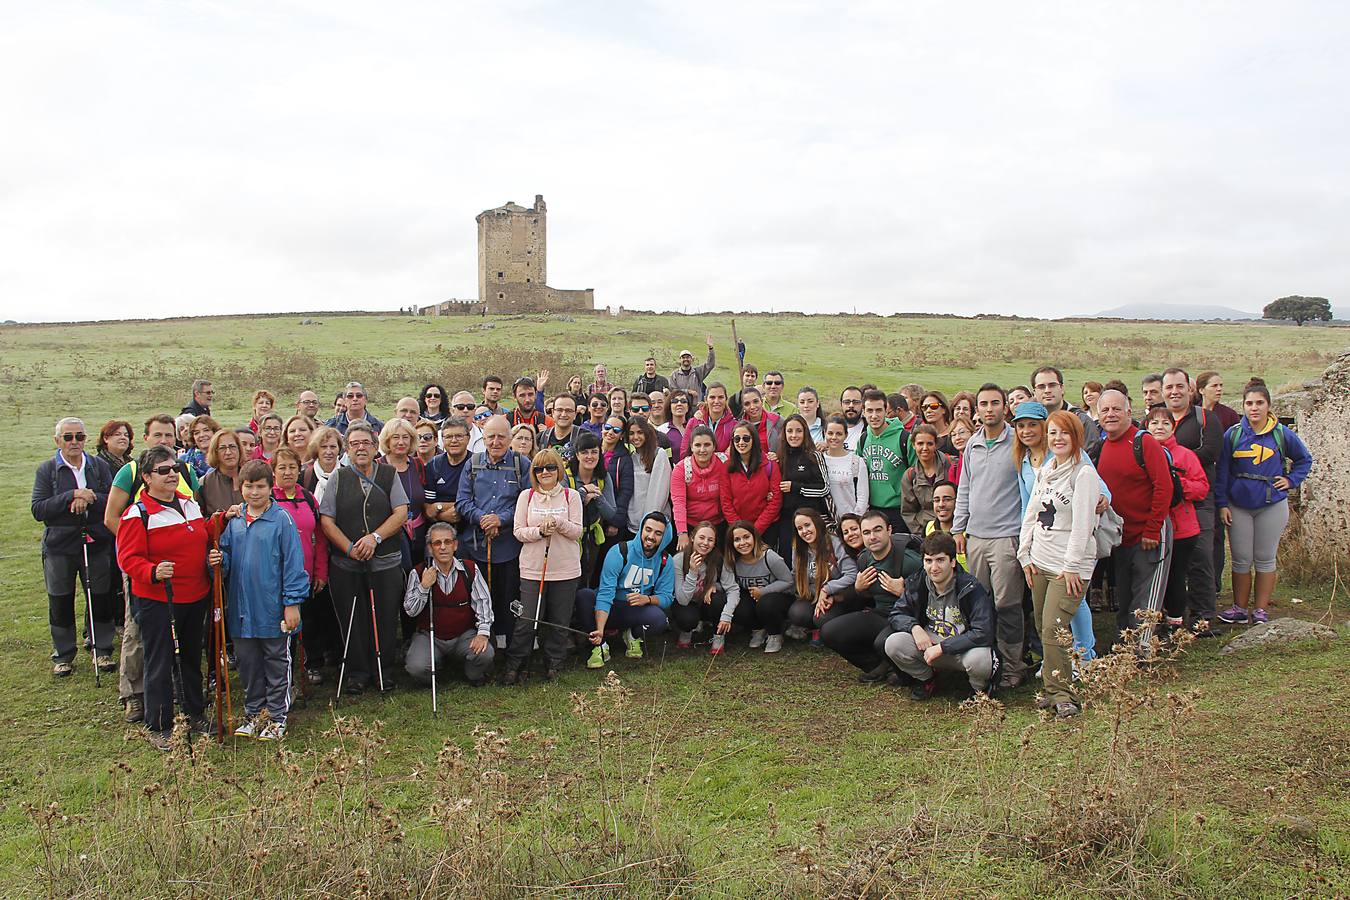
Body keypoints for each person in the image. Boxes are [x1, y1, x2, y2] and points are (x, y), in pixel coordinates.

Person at [116, 445, 215, 749]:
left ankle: (194, 712)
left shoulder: (189, 504)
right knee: (159, 660)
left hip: (195, 595)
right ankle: (158, 724)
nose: (171, 474)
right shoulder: (138, 514)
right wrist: (152, 571)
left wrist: (222, 521)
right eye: (163, 470)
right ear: (146, 477)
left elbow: (202, 533)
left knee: (189, 657)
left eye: (174, 469)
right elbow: (127, 558)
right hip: (160, 600)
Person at [1017, 412, 1102, 717]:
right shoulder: (1046, 470)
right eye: (1052, 433)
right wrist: (1024, 555)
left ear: (1076, 436)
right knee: (1043, 626)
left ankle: (1062, 694)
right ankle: (1056, 686)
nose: (1057, 439)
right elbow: (1032, 514)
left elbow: (1083, 526)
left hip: (1068, 567)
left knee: (1055, 629)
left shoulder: (1084, 475)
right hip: (1040, 560)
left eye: (1064, 433)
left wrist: (1072, 566)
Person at [218, 460, 309, 741]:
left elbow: (294, 563)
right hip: (242, 610)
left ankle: (277, 716)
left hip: (273, 608)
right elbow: (227, 559)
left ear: (271, 488)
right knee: (248, 663)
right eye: (249, 486)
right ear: (241, 488)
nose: (254, 493)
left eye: (260, 487)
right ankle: (254, 713)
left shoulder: (281, 520)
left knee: (276, 662)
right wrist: (220, 561)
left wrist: (291, 602)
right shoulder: (233, 523)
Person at [318, 421, 408, 695]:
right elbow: (327, 519)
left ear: (374, 445)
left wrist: (375, 538)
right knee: (352, 618)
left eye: (365, 443)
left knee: (385, 617)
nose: (360, 448)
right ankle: (358, 673)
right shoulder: (338, 477)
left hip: (385, 561)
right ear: (347, 448)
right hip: (346, 564)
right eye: (354, 443)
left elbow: (401, 512)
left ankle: (383, 671)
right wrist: (348, 547)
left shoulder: (389, 474)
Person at [1215, 380, 1312, 626]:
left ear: (1268, 405)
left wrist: (1291, 481)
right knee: (1241, 558)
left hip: (1272, 503)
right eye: (1249, 403)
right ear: (1244, 406)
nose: (1254, 408)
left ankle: (1260, 610)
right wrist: (1222, 503)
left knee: (1265, 557)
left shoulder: (1281, 433)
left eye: (1259, 403)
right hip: (1238, 503)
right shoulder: (1233, 434)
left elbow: (1304, 459)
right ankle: (1238, 608)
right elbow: (1223, 470)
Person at [953, 384, 1026, 689]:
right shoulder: (972, 444)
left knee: (1008, 605)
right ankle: (986, 664)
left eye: (995, 403)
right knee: (979, 605)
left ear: (1005, 407)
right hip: (976, 538)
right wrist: (959, 527)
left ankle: (1012, 667)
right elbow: (965, 487)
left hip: (1007, 536)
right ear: (977, 410)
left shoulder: (1018, 441)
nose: (989, 409)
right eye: (983, 404)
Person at [32, 417, 117, 677]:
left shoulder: (99, 466)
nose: (74, 442)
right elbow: (39, 509)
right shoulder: (47, 470)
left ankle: (102, 650)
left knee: (101, 597)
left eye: (79, 437)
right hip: (60, 547)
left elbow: (112, 501)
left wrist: (89, 497)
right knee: (60, 599)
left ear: (86, 439)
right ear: (57, 440)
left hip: (96, 543)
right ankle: (64, 654)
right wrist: (71, 496)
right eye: (68, 437)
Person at [1095, 389, 1174, 648]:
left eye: (1116, 409)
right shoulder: (1102, 447)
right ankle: (1125, 647)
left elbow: (1164, 487)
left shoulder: (1144, 442)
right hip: (1122, 537)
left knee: (1146, 596)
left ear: (1129, 412)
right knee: (1126, 595)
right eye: (1105, 410)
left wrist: (1152, 529)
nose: (1111, 414)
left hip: (1150, 534)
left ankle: (1142, 651)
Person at [885, 532, 998, 701]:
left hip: (962, 648)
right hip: (930, 642)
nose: (934, 567)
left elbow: (983, 632)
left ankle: (979, 691)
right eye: (928, 561)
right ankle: (927, 679)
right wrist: (914, 628)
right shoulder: (917, 582)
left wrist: (943, 647)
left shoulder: (971, 587)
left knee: (980, 659)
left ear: (952, 562)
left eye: (940, 560)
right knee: (894, 643)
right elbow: (897, 613)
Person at [503, 449, 584, 683]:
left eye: (550, 468)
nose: (545, 472)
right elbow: (518, 531)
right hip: (533, 568)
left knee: (559, 621)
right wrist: (539, 531)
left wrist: (559, 523)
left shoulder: (571, 496)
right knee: (527, 620)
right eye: (539, 469)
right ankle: (515, 662)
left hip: (565, 568)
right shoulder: (526, 496)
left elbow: (577, 531)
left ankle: (554, 663)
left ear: (558, 470)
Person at [456, 415, 529, 649]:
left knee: (507, 596)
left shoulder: (521, 464)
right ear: (483, 438)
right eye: (491, 437)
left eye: (501, 437)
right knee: (480, 597)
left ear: (510, 439)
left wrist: (501, 519)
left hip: (509, 546)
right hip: (477, 546)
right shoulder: (473, 463)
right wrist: (482, 519)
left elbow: (525, 501)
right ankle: (482, 640)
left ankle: (507, 643)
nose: (495, 442)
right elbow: (462, 501)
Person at [1161, 367, 1225, 632]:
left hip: (1198, 499)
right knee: (1169, 559)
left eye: (1179, 386)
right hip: (1166, 502)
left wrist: (1170, 460)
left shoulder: (1206, 419)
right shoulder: (1156, 419)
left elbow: (1209, 452)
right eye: (1169, 388)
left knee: (1200, 557)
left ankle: (1203, 616)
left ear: (1190, 390)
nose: (1174, 392)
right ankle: (1172, 612)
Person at [821, 510, 920, 680]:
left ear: (889, 530)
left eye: (877, 530)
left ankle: (910, 675)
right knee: (829, 631)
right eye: (866, 532)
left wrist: (904, 592)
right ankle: (879, 666)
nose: (872, 536)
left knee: (882, 642)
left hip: (908, 617)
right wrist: (859, 589)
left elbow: (933, 600)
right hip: (881, 614)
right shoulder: (864, 559)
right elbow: (868, 597)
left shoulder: (910, 560)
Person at [1143, 406, 1209, 632]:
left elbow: (1202, 487)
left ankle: (1175, 622)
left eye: (1165, 423)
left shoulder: (1185, 455)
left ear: (1173, 427)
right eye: (1154, 423)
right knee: (1151, 576)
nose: (1159, 427)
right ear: (1146, 426)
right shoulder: (1139, 454)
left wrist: (1178, 486)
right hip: (1151, 527)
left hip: (1181, 526)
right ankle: (1152, 618)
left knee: (1176, 576)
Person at [403, 523, 494, 688]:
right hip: (431, 636)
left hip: (463, 635)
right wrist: (423, 587)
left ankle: (471, 672)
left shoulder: (469, 569)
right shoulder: (418, 572)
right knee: (416, 667)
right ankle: (434, 667)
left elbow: (483, 603)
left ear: (455, 545)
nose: (443, 547)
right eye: (437, 543)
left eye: (448, 542)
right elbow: (410, 611)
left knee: (485, 653)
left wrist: (482, 634)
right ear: (430, 548)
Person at [580, 512, 676, 666]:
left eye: (658, 533)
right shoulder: (619, 551)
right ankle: (600, 644)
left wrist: (648, 599)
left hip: (635, 609)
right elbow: (606, 592)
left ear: (664, 537)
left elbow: (667, 597)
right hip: (610, 606)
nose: (651, 536)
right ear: (641, 530)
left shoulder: (666, 561)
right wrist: (600, 628)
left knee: (659, 620)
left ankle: (632, 635)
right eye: (648, 530)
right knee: (584, 596)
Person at [270, 447, 331, 686]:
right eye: (282, 467)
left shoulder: (307, 497)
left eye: (292, 467)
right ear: (273, 471)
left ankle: (313, 664)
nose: (287, 472)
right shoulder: (269, 499)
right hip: (278, 576)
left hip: (307, 573)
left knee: (312, 621)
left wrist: (320, 572)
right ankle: (287, 672)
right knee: (285, 627)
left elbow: (320, 536)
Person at [785, 509, 859, 641]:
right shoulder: (798, 548)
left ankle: (827, 627)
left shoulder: (834, 542)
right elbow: (795, 574)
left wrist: (827, 589)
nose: (804, 531)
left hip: (836, 595)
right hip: (812, 595)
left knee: (822, 618)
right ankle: (812, 627)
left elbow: (852, 574)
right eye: (799, 528)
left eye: (807, 525)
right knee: (797, 614)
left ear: (817, 523)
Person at [723, 520, 794, 653]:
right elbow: (730, 586)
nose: (743, 543)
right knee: (737, 605)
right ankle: (758, 629)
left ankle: (775, 634)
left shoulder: (769, 556)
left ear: (754, 537)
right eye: (737, 539)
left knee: (766, 603)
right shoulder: (733, 561)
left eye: (746, 537)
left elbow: (788, 581)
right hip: (753, 596)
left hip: (779, 597)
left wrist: (763, 591)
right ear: (731, 544)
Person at [671, 521, 741, 652]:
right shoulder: (679, 559)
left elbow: (733, 589)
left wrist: (726, 615)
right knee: (687, 618)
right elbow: (682, 600)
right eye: (701, 538)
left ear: (714, 543)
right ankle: (687, 631)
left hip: (706, 603)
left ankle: (718, 635)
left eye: (710, 540)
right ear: (692, 538)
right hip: (687, 603)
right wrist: (692, 572)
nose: (705, 543)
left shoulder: (719, 560)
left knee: (718, 599)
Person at [568, 430, 623, 587]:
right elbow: (563, 506)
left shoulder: (603, 477)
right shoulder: (567, 475)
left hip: (592, 537)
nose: (589, 456)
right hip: (569, 538)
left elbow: (611, 512)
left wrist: (598, 497)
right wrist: (583, 492)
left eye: (594, 452)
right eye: (584, 452)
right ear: (577, 455)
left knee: (588, 577)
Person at [775, 414, 833, 558]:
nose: (794, 435)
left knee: (812, 558)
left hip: (810, 518)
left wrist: (796, 488)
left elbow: (824, 488)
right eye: (790, 431)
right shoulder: (779, 457)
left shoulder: (814, 456)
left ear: (805, 433)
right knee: (787, 557)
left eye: (798, 431)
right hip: (787, 518)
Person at [857, 389, 912, 534]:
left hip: (898, 511)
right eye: (869, 410)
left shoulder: (904, 438)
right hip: (873, 510)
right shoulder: (863, 439)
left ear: (886, 410)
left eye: (878, 410)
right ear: (863, 412)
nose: (874, 416)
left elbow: (916, 473)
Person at [377, 418, 428, 573]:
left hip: (420, 535)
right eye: (395, 437)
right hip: (391, 538)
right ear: (387, 440)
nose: (401, 442)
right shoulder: (378, 467)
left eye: (405, 437)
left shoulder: (418, 464)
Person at [722, 421, 783, 546]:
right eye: (737, 439)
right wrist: (741, 530)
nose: (741, 442)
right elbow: (725, 502)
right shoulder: (727, 467)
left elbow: (776, 500)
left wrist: (756, 530)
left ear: (754, 439)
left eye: (746, 438)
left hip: (767, 529)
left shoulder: (770, 465)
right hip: (738, 531)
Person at [671, 425, 727, 553]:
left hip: (718, 523)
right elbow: (678, 503)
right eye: (697, 445)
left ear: (714, 446)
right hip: (691, 525)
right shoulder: (681, 469)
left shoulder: (724, 463)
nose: (702, 450)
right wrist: (682, 533)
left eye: (707, 445)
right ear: (691, 447)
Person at [1032, 366, 1100, 457]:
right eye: (1041, 387)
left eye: (1052, 385)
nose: (1047, 390)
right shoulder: (1032, 424)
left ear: (1062, 388)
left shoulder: (1081, 421)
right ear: (1034, 393)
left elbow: (1090, 458)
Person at [900, 424, 953, 534]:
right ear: (913, 445)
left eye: (929, 444)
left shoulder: (951, 466)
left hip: (953, 527)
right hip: (926, 530)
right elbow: (908, 511)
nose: (925, 448)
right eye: (920, 444)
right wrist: (921, 534)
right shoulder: (910, 475)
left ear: (936, 445)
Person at [625, 416, 672, 531]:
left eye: (640, 432)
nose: (636, 437)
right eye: (631, 433)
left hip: (654, 524)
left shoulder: (659, 454)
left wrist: (649, 522)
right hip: (633, 523)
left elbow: (659, 492)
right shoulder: (630, 457)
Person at [822, 415, 869, 519]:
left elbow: (862, 497)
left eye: (839, 434)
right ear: (824, 433)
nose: (834, 437)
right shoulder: (819, 460)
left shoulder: (856, 462)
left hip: (850, 523)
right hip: (826, 523)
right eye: (830, 433)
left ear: (846, 435)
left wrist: (854, 520)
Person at [199, 428, 244, 517]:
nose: (228, 452)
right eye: (222, 448)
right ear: (215, 453)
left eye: (232, 447)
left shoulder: (252, 476)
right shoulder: (205, 483)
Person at [302, 426, 343, 504]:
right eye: (324, 447)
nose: (328, 451)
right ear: (316, 449)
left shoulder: (348, 475)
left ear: (339, 448)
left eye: (333, 447)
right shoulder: (304, 477)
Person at [692, 382, 736, 451]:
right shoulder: (694, 421)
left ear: (726, 399)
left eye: (720, 397)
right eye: (712, 397)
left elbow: (732, 454)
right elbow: (684, 452)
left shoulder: (734, 425)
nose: (716, 401)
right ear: (706, 399)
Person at [739, 386, 782, 454]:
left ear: (761, 401)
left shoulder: (777, 420)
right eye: (747, 404)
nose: (752, 407)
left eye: (755, 401)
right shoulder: (738, 426)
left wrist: (778, 455)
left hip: (772, 463)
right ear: (743, 407)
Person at [539, 393, 580, 461]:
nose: (563, 414)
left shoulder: (584, 438)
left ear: (575, 414)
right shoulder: (541, 439)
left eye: (568, 411)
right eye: (559, 410)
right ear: (553, 412)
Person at [663, 390, 693, 462]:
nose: (679, 404)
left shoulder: (696, 427)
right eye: (675, 401)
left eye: (683, 401)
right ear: (669, 406)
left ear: (688, 407)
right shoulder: (662, 430)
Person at [838, 386, 866, 452]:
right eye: (847, 402)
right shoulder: (830, 429)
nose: (851, 405)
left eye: (856, 402)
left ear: (862, 405)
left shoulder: (869, 431)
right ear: (841, 404)